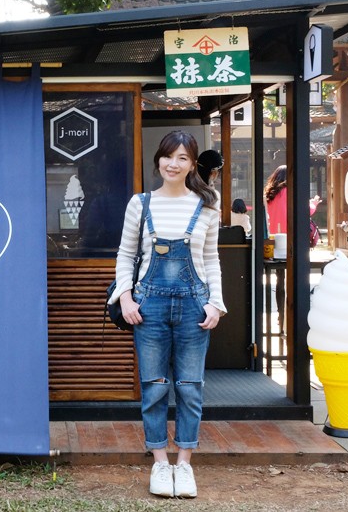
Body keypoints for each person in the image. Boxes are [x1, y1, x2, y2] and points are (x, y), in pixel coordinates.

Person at [109, 130, 224, 498]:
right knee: (154, 387)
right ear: (158, 159)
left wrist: (215, 304)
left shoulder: (208, 204)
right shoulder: (140, 203)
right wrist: (125, 298)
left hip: (195, 305)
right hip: (148, 307)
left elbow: (211, 258)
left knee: (190, 388)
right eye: (168, 156)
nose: (174, 164)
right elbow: (125, 255)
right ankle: (160, 462)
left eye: (183, 158)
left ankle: (184, 465)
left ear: (192, 165)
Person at [263, 165, 322, 334]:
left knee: (279, 280)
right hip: (292, 240)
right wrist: (314, 204)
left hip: (274, 239)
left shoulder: (269, 194)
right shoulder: (292, 191)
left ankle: (280, 314)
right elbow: (305, 212)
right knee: (294, 278)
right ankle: (292, 315)